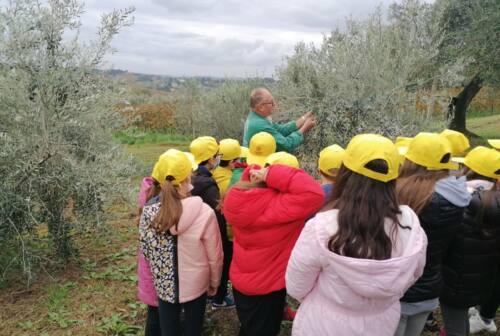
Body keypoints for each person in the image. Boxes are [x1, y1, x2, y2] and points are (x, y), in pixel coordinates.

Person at [285, 134, 427, 336]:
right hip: (380, 323)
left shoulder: (322, 227)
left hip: (324, 325)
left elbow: (296, 286)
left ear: (345, 172)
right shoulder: (410, 223)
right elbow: (414, 272)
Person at [223, 163, 324, 336]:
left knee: (249, 326)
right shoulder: (280, 206)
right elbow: (314, 193)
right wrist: (273, 173)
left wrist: (252, 171)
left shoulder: (241, 198)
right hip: (267, 288)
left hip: (242, 282)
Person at [139, 149, 223, 336]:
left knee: (169, 329)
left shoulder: (148, 211)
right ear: (188, 179)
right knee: (193, 329)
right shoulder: (205, 212)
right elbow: (214, 256)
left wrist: (159, 275)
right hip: (197, 285)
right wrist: (214, 282)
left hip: (164, 287)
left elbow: (145, 248)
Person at [395, 132, 471, 336]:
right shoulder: (462, 195)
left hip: (399, 288)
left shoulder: (402, 194)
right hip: (431, 287)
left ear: (410, 160)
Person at [440, 146, 500, 336]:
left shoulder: (461, 202)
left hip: (454, 281)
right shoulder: (494, 204)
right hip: (482, 281)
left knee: (455, 326)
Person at [136, 151, 198, 336]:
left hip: (151, 272)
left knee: (157, 314)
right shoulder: (173, 206)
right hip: (166, 279)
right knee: (158, 317)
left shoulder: (148, 192)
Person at [189, 136, 234, 309]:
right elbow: (218, 213)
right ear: (210, 159)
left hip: (195, 232)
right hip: (211, 232)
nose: (219, 158)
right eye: (217, 155)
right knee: (219, 263)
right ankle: (218, 298)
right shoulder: (207, 184)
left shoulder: (193, 176)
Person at [243, 88, 316, 153]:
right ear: (261, 107)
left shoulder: (256, 117)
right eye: (271, 102)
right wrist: (304, 128)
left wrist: (304, 118)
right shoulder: (260, 125)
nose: (274, 104)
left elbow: (281, 129)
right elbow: (287, 145)